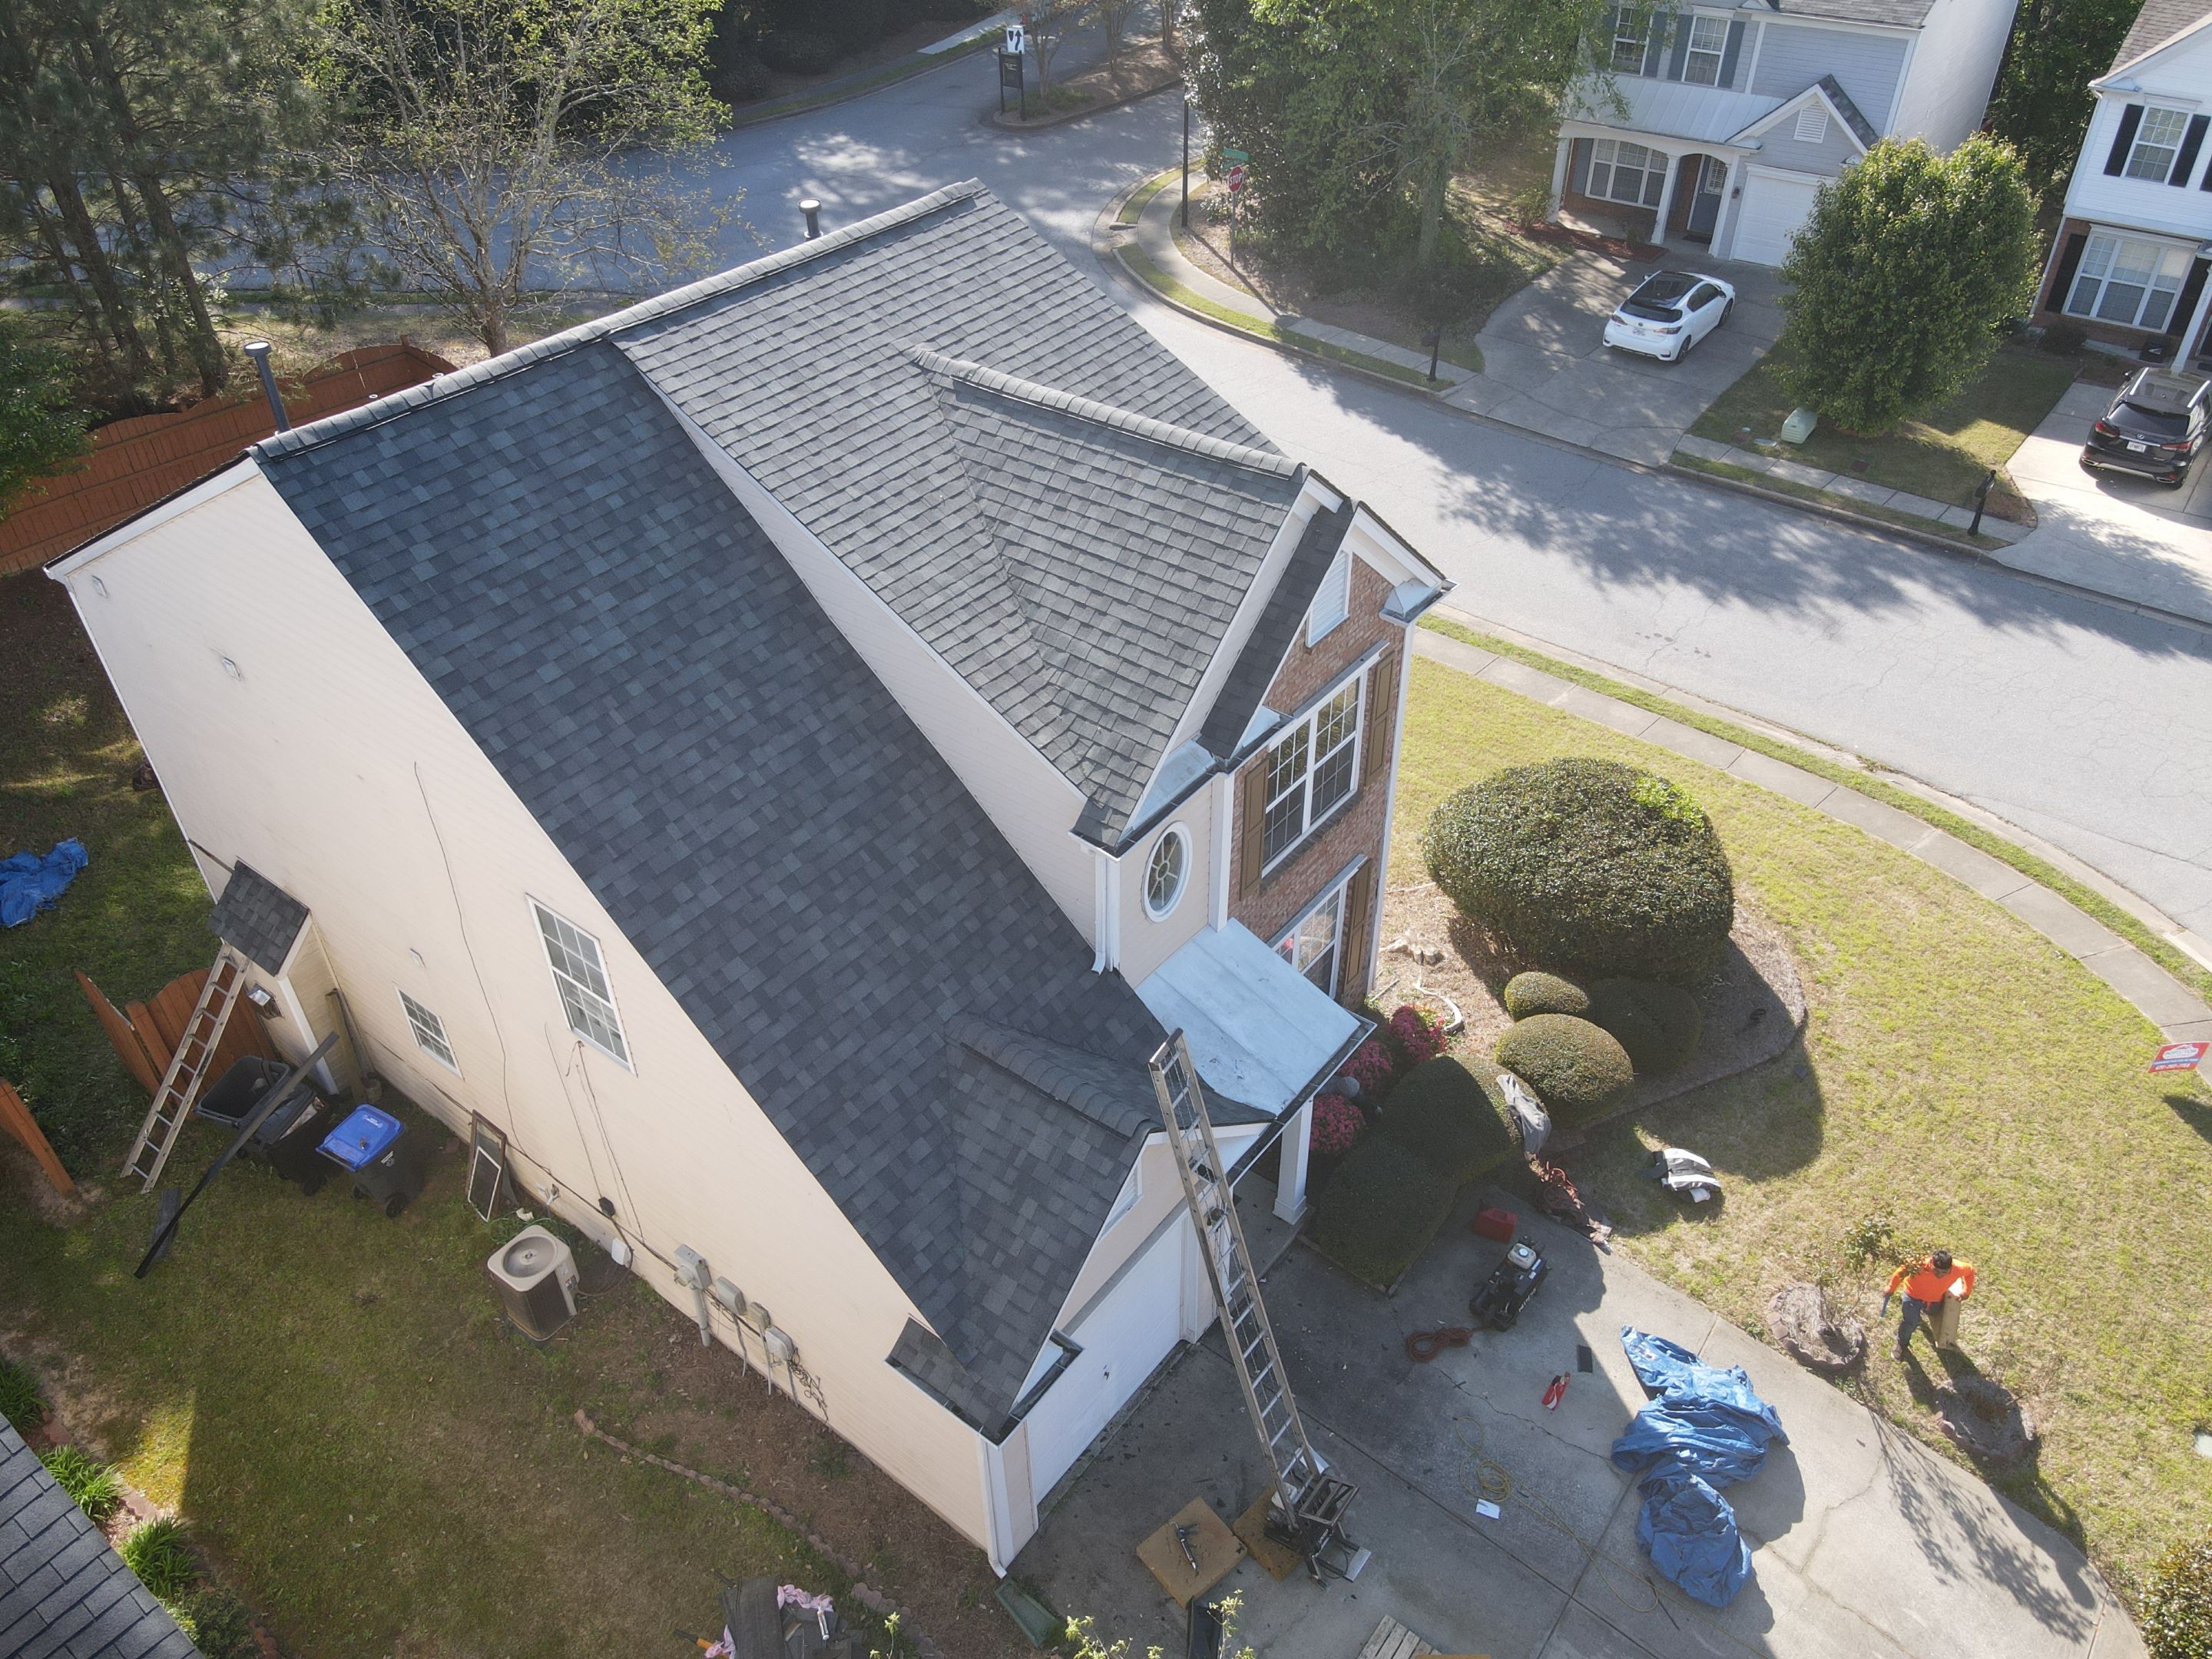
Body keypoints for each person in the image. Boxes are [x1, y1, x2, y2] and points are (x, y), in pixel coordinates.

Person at [1883, 1250, 1975, 1359]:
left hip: (1935, 1300)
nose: (1939, 1275)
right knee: (1910, 1323)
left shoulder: (1958, 1268)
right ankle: (1901, 1344)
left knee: (1933, 1313)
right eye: (1936, 1271)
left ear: (1950, 1268)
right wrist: (1891, 1287)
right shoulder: (1918, 1264)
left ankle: (1921, 1315)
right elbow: (1901, 1272)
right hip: (1912, 1297)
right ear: (1931, 1262)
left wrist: (1967, 1291)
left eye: (1944, 1272)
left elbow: (1970, 1272)